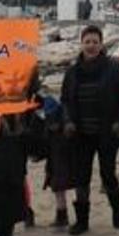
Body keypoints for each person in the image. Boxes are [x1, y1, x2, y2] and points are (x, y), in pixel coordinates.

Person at [60, 25, 119, 236]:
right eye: (87, 42)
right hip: (80, 133)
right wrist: (67, 122)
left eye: (95, 42)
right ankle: (82, 221)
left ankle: (117, 208)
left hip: (107, 131)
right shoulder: (72, 72)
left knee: (107, 174)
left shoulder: (114, 69)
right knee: (81, 177)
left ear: (101, 45)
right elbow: (65, 101)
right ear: (81, 44)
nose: (91, 46)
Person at [40, 96, 77, 228]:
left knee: (60, 186)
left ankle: (63, 215)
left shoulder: (61, 129)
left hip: (62, 160)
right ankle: (62, 214)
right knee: (58, 188)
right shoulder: (52, 129)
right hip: (56, 161)